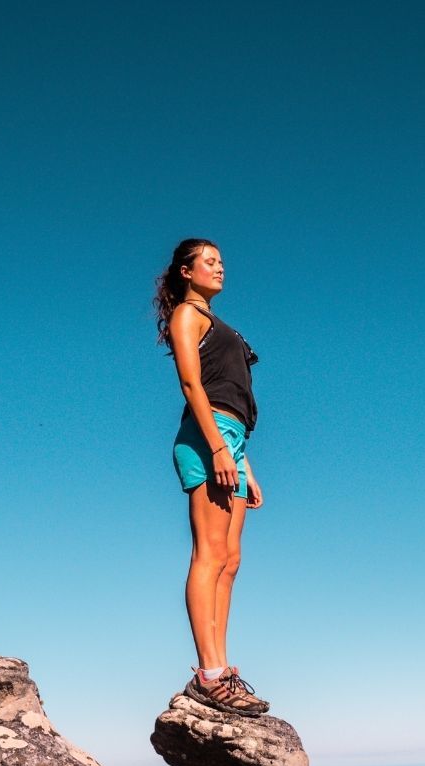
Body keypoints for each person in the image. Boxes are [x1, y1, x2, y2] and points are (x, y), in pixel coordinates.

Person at [154, 238, 269, 717]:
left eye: (222, 260)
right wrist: (219, 447)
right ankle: (210, 674)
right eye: (209, 261)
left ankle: (224, 667)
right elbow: (191, 383)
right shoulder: (188, 314)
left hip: (232, 440)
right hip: (209, 434)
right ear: (185, 271)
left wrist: (244, 464)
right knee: (209, 553)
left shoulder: (223, 325)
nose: (219, 267)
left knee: (231, 559)